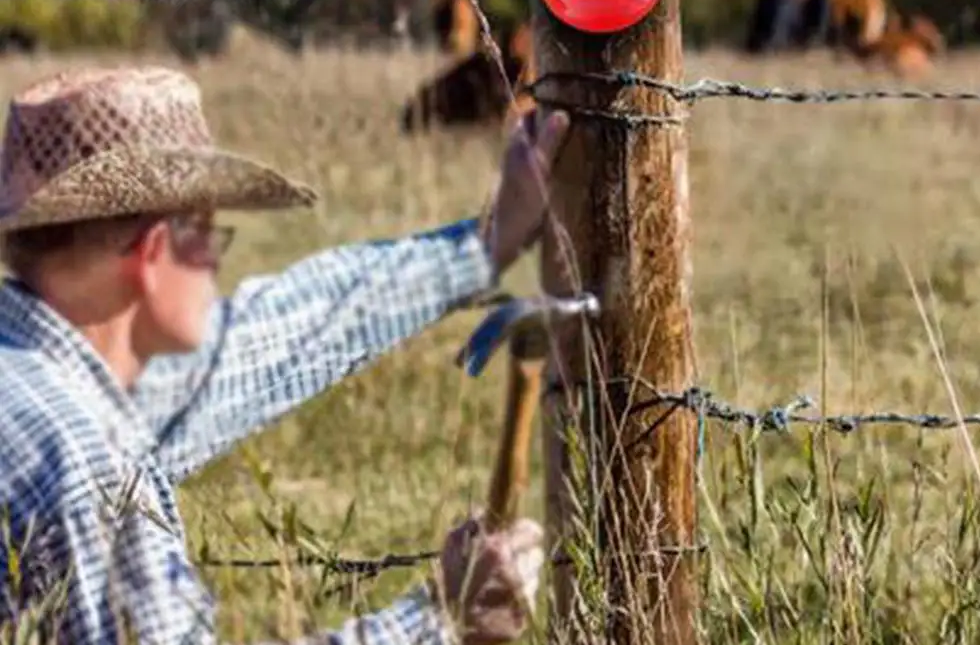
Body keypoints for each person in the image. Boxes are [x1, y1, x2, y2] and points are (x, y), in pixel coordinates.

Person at [0, 64, 570, 644]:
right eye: (209, 234)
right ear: (153, 254)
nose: (218, 267)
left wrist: (485, 245)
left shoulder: (37, 373)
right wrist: (439, 620)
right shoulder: (90, 473)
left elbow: (277, 334)